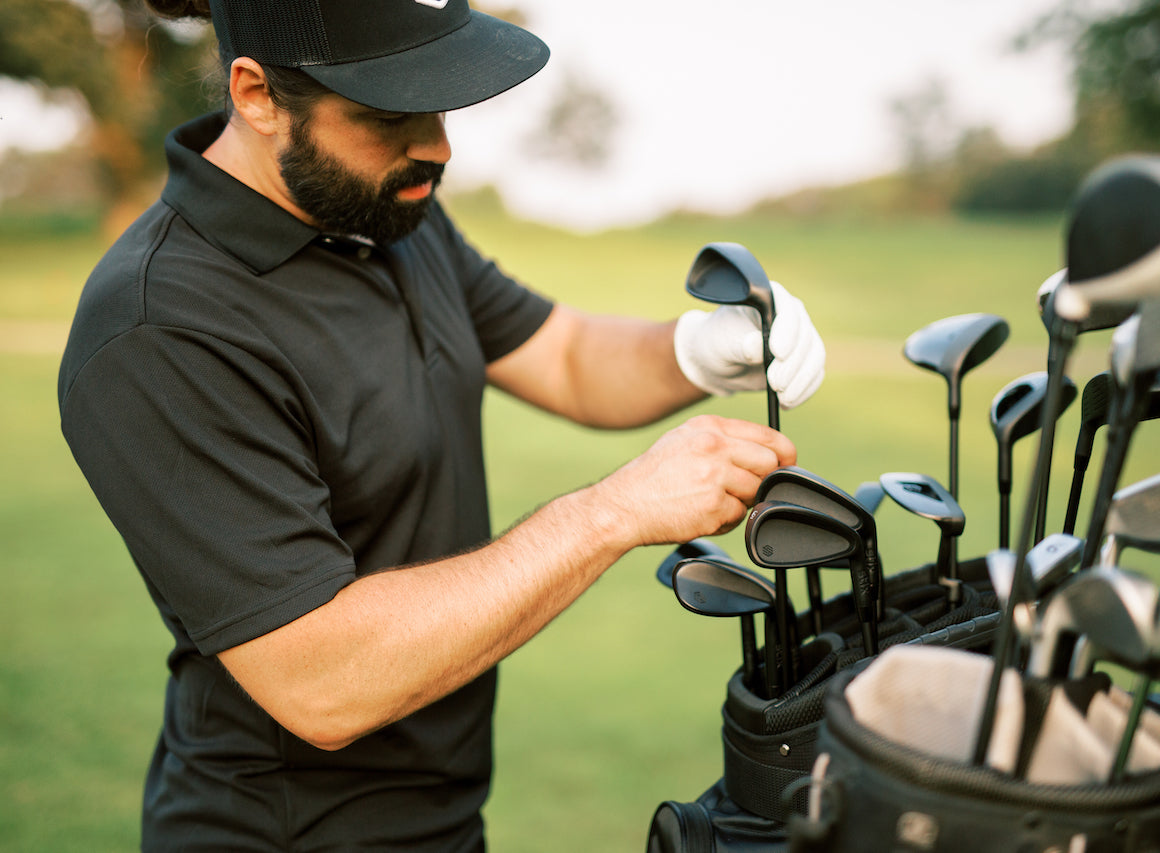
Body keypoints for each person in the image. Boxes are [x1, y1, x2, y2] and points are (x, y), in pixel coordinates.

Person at [57, 0, 826, 849]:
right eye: (390, 114)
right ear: (258, 94)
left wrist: (696, 350)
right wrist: (613, 511)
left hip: (446, 824)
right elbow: (323, 680)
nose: (438, 147)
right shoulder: (162, 324)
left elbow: (563, 353)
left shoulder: (384, 210)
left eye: (441, 104)